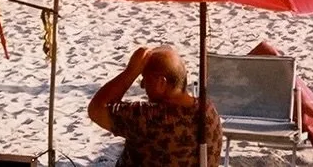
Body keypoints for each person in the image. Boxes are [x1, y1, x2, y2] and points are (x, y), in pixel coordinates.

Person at [88, 45, 221, 167]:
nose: (142, 85)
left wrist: (131, 72)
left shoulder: (149, 118)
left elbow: (96, 109)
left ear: (161, 82)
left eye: (145, 78)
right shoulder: (208, 110)